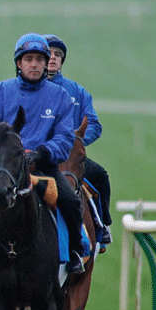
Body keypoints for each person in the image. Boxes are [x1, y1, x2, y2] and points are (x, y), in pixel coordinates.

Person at [0, 34, 86, 273]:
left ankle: (75, 251)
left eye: (38, 59)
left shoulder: (60, 97)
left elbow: (65, 137)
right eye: (28, 59)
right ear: (18, 63)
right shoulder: (0, 92)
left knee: (71, 201)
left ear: (46, 64)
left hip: (44, 165)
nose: (33, 64)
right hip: (3, 166)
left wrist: (44, 153)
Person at [45, 34, 112, 243]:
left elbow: (94, 124)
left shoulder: (78, 92)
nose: (53, 58)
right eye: (48, 54)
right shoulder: (30, 90)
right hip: (42, 156)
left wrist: (78, 141)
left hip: (70, 157)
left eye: (57, 55)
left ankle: (103, 225)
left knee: (99, 175)